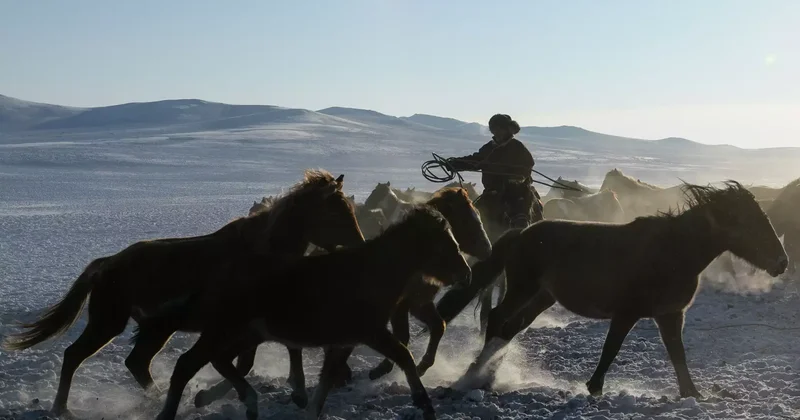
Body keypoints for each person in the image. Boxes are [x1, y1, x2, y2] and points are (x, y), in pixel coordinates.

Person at [446, 113, 540, 231]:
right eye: (494, 129)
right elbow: (475, 160)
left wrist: (513, 177)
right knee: (473, 216)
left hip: (516, 191)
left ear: (507, 129)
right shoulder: (489, 148)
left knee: (534, 210)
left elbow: (528, 165)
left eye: (500, 128)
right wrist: (454, 164)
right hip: (492, 191)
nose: (497, 132)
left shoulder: (518, 147)